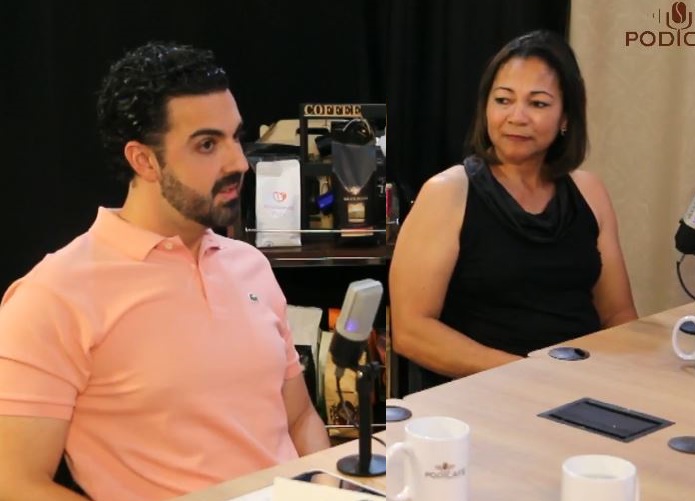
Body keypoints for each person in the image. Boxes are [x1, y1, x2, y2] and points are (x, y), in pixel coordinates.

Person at [0, 42, 330, 501]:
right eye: (207, 144)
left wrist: (329, 488)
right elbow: (14, 482)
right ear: (144, 160)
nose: (239, 162)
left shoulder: (250, 265)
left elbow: (299, 418)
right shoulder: (54, 293)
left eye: (236, 137)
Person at [389, 30, 638, 392]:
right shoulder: (447, 192)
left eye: (538, 104)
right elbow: (411, 331)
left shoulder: (590, 191)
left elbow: (618, 314)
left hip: (580, 387)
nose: (516, 116)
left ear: (566, 117)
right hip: (481, 394)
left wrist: (626, 382)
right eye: (503, 100)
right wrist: (532, 375)